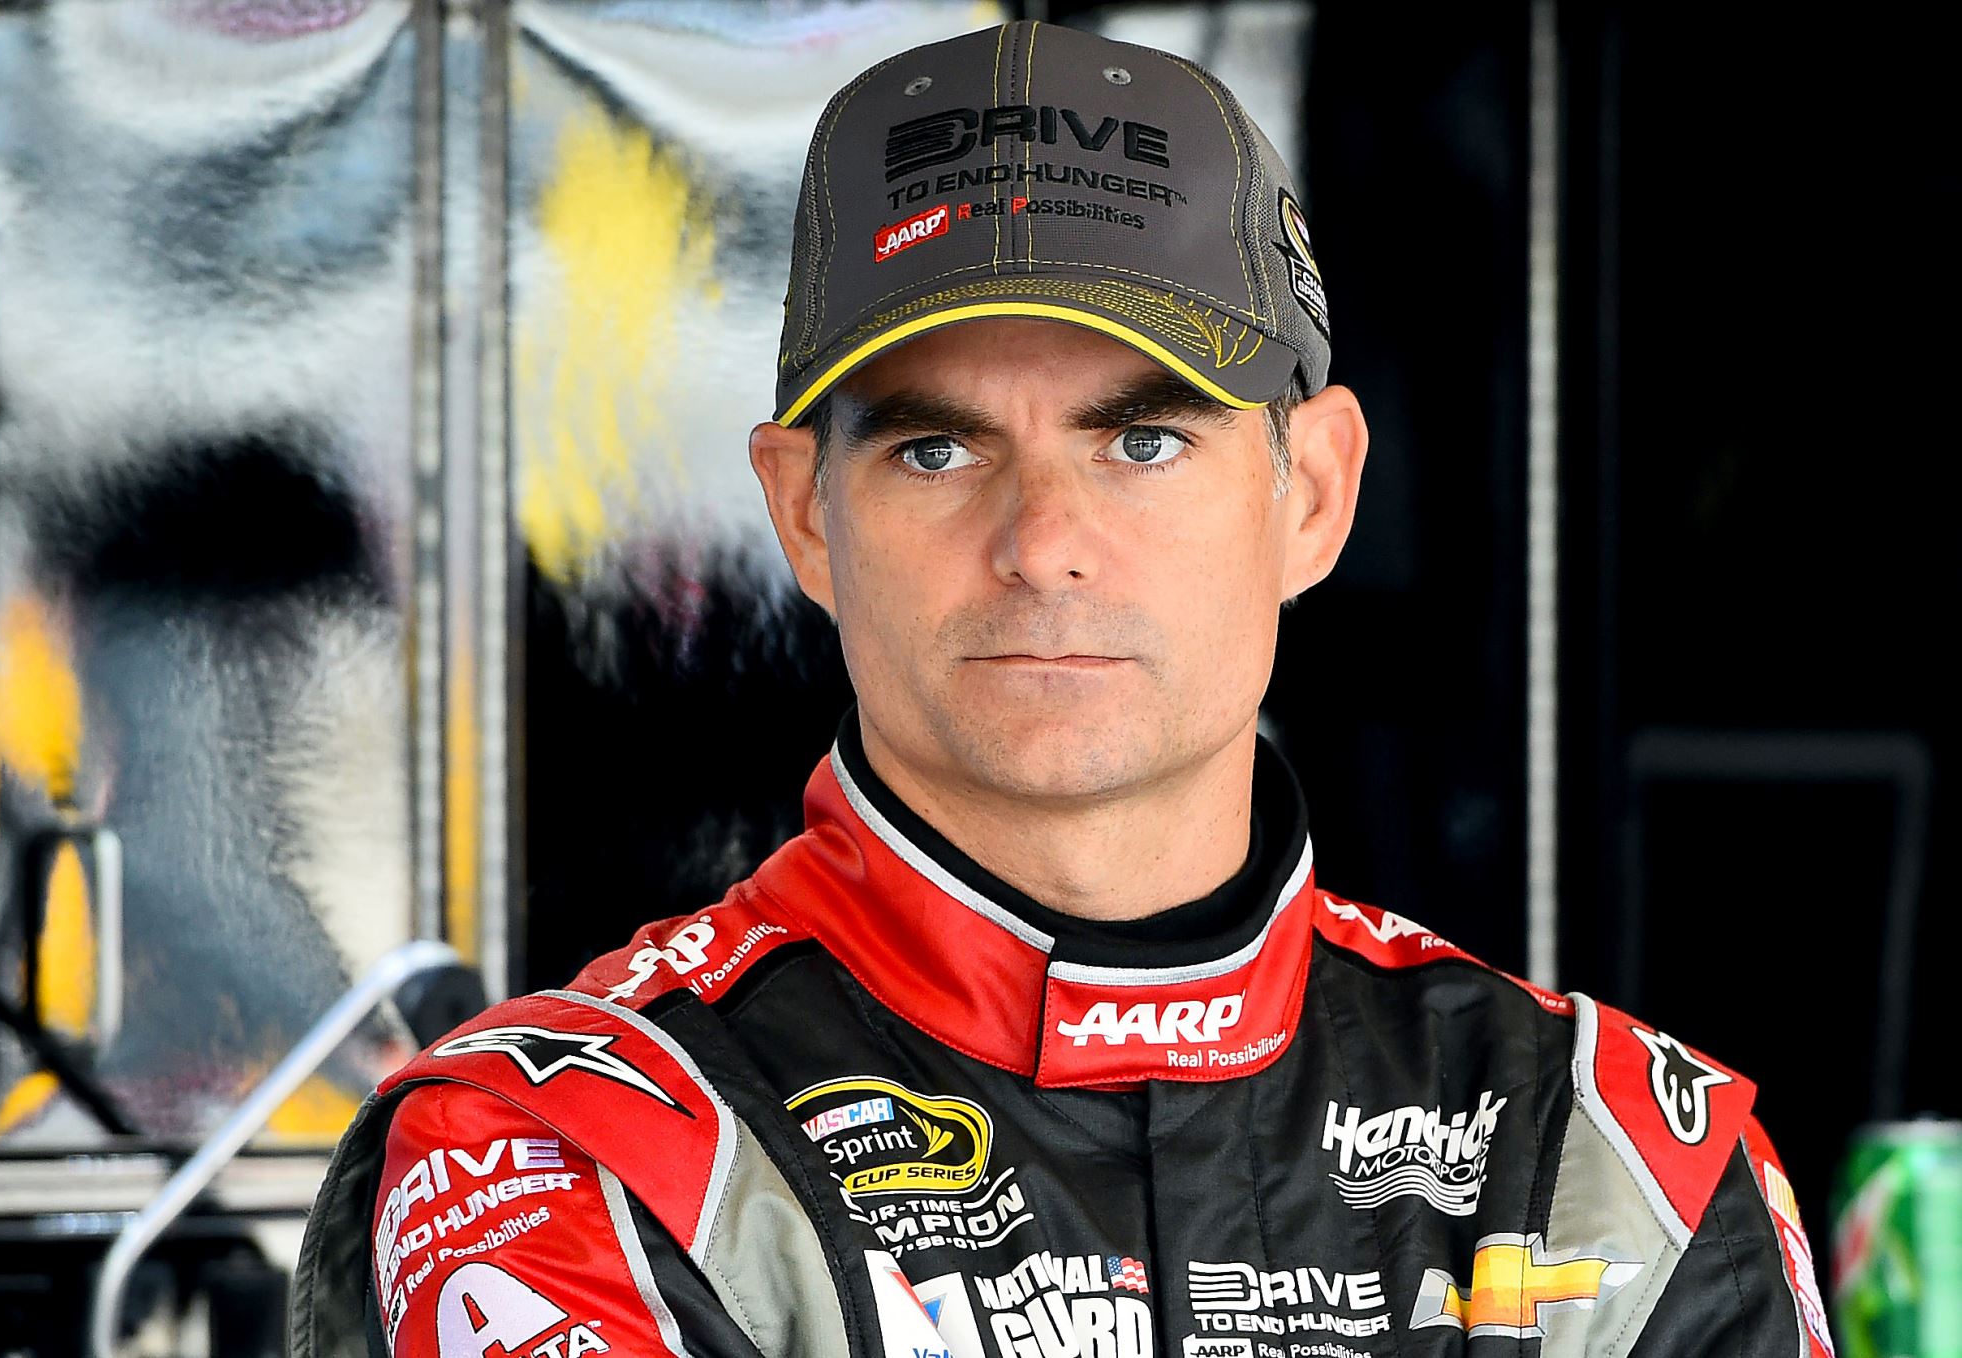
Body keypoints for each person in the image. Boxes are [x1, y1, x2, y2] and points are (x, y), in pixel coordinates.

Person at [294, 21, 1833, 1358]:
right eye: (935, 447)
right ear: (806, 511)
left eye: (1141, 440)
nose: (1041, 543)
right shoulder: (564, 1152)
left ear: (1311, 493)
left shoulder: (1609, 1156)